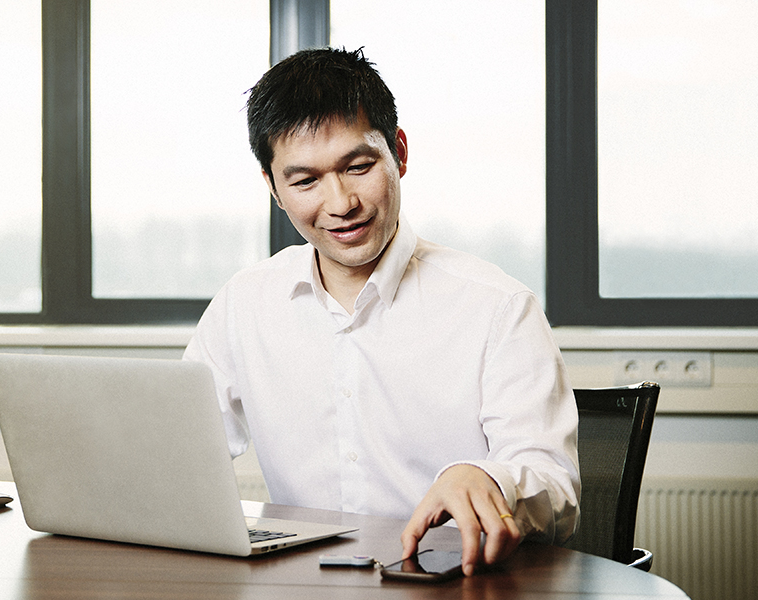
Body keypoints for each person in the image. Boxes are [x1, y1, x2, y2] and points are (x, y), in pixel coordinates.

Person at [183, 47, 579, 575]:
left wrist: (490, 477)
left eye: (359, 166)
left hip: (456, 585)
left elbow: (555, 486)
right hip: (304, 588)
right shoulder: (244, 303)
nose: (341, 202)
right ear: (274, 189)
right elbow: (178, 452)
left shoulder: (497, 307)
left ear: (400, 152)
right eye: (305, 181)